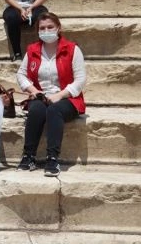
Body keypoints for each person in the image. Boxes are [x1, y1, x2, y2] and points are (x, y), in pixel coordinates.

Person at [16, 12, 86, 177]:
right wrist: (34, 91)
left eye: (50, 27)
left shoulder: (72, 49)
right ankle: (28, 156)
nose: (46, 31)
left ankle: (52, 158)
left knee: (54, 110)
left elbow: (80, 79)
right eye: (42, 28)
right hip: (41, 95)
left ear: (58, 28)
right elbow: (21, 74)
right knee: (36, 110)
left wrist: (59, 95)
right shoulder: (32, 50)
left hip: (67, 97)